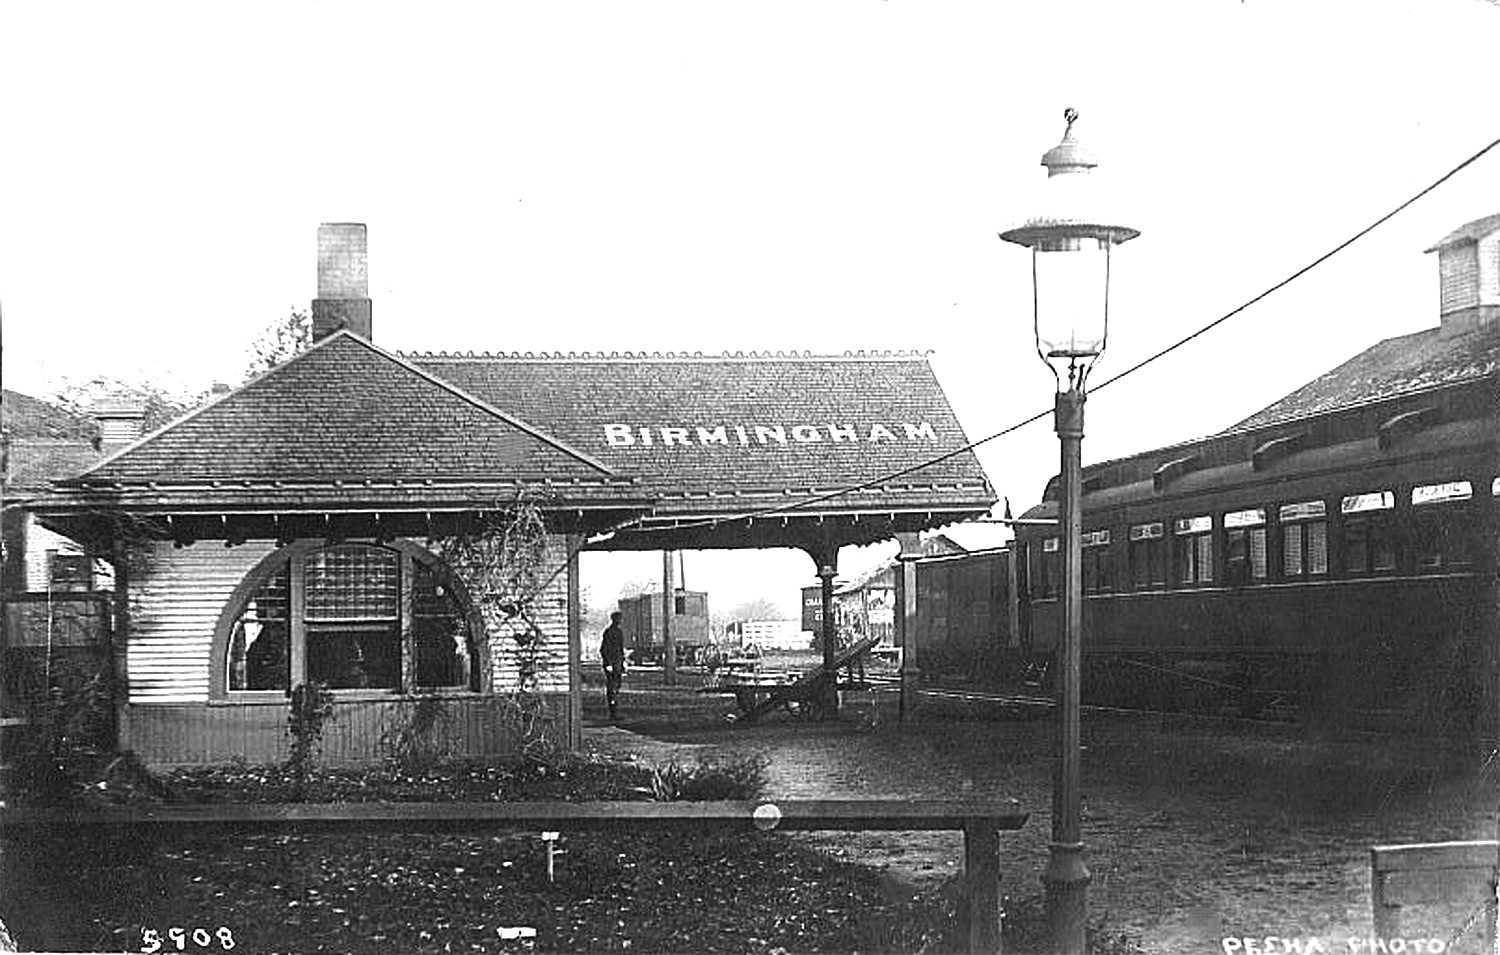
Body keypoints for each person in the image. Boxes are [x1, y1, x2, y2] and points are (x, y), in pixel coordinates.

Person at [600, 611, 626, 719]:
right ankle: (613, 712)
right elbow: (604, 649)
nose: (620, 621)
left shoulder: (619, 632)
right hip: (611, 663)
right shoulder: (608, 632)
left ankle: (615, 710)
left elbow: (620, 649)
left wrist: (623, 662)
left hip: (618, 663)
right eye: (619, 619)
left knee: (617, 686)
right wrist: (608, 663)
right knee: (612, 687)